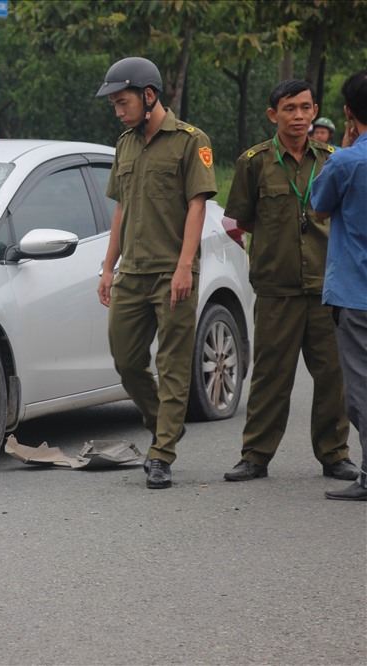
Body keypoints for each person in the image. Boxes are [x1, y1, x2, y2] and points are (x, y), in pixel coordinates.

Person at [222, 79, 356, 483]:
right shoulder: (254, 162)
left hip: (325, 285)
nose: (298, 116)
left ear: (315, 111)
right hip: (276, 286)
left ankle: (334, 454)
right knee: (270, 376)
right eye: (289, 109)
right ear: (272, 115)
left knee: (333, 375)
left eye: (305, 108)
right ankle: (255, 456)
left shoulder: (334, 159)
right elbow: (241, 218)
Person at [95, 57, 217, 489]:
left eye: (122, 101)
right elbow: (121, 210)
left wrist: (186, 266)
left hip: (172, 272)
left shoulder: (189, 141)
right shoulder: (125, 144)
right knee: (126, 359)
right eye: (113, 104)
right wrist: (108, 268)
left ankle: (162, 453)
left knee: (173, 364)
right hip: (133, 272)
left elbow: (198, 205)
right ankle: (166, 422)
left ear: (149, 96)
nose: (117, 109)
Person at [310, 69, 367, 501]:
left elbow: (319, 205)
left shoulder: (346, 162)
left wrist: (344, 151)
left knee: (361, 391)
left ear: (348, 113)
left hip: (357, 294)